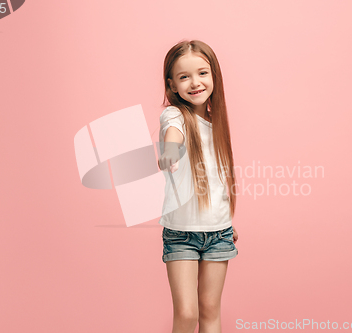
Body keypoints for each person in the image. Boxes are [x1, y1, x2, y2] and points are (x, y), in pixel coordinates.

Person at [157, 39, 239, 333]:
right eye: (184, 76)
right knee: (187, 313)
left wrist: (226, 221)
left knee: (209, 310)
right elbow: (173, 136)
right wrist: (169, 153)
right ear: (172, 85)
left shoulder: (217, 123)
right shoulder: (175, 115)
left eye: (202, 73)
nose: (195, 82)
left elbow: (219, 178)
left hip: (219, 232)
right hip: (182, 233)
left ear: (214, 75)